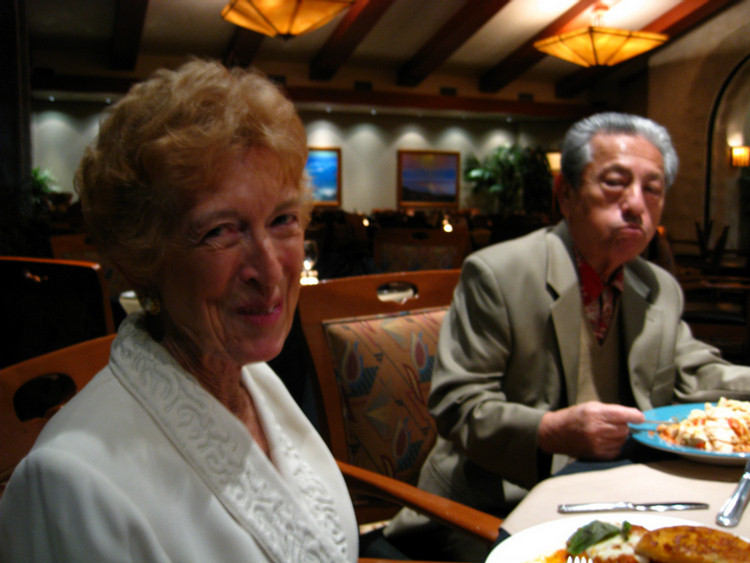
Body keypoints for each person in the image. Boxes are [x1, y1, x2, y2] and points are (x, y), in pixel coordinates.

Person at [0, 60, 358, 562]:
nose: (271, 271)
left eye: (283, 220)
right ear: (141, 258)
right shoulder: (69, 484)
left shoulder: (256, 380)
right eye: (220, 231)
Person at [384, 112, 750, 561]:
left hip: (619, 494)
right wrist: (551, 430)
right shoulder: (499, 273)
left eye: (653, 189)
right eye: (615, 182)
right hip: (495, 499)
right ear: (566, 194)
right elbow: (458, 406)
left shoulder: (657, 287)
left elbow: (699, 372)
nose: (636, 203)